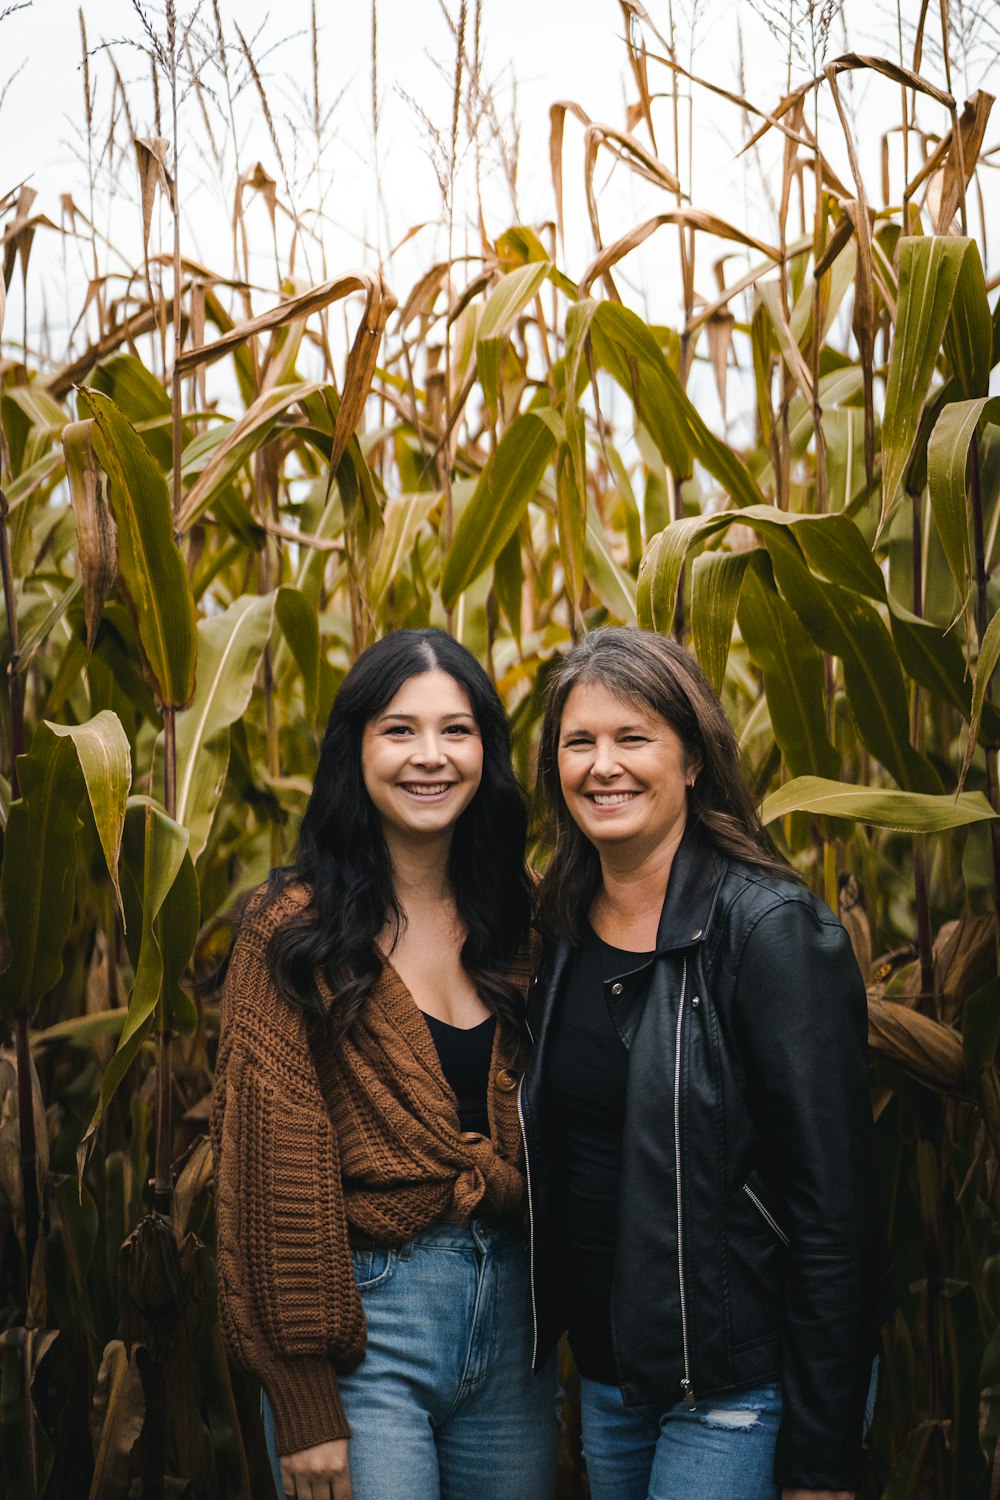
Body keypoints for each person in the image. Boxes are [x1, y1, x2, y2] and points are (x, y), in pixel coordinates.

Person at [519, 626, 890, 1500]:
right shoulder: (559, 932)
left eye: (632, 738)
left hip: (739, 1384)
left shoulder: (768, 933)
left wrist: (821, 1458)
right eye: (580, 742)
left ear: (692, 762)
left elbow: (838, 1214)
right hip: (611, 1382)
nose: (603, 765)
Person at [211, 628, 558, 1500]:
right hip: (365, 1326)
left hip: (513, 1323)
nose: (429, 756)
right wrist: (304, 1403)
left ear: (488, 750)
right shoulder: (295, 930)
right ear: (355, 749)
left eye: (457, 730)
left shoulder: (521, 924)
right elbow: (273, 1171)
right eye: (399, 730)